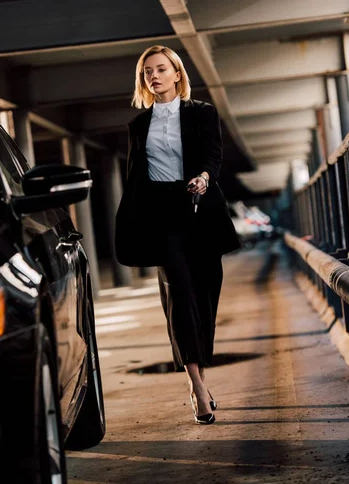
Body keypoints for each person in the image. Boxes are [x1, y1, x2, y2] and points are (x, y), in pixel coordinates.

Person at [115, 45, 240, 425]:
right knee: (179, 294)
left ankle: (199, 373)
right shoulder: (138, 126)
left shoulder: (202, 113)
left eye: (160, 69)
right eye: (146, 72)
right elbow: (136, 175)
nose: (153, 76)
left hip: (199, 211)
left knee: (204, 296)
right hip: (161, 216)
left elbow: (213, 154)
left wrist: (204, 177)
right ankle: (197, 387)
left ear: (176, 74)